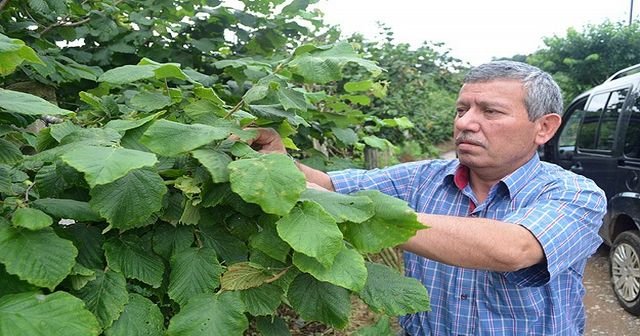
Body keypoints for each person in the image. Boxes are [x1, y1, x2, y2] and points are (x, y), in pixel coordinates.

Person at [249, 61, 606, 335]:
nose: (466, 122)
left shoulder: (574, 194)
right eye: (461, 109)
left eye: (491, 111)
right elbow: (327, 185)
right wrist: (274, 160)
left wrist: (373, 219)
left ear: (544, 127)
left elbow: (512, 249)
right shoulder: (422, 178)